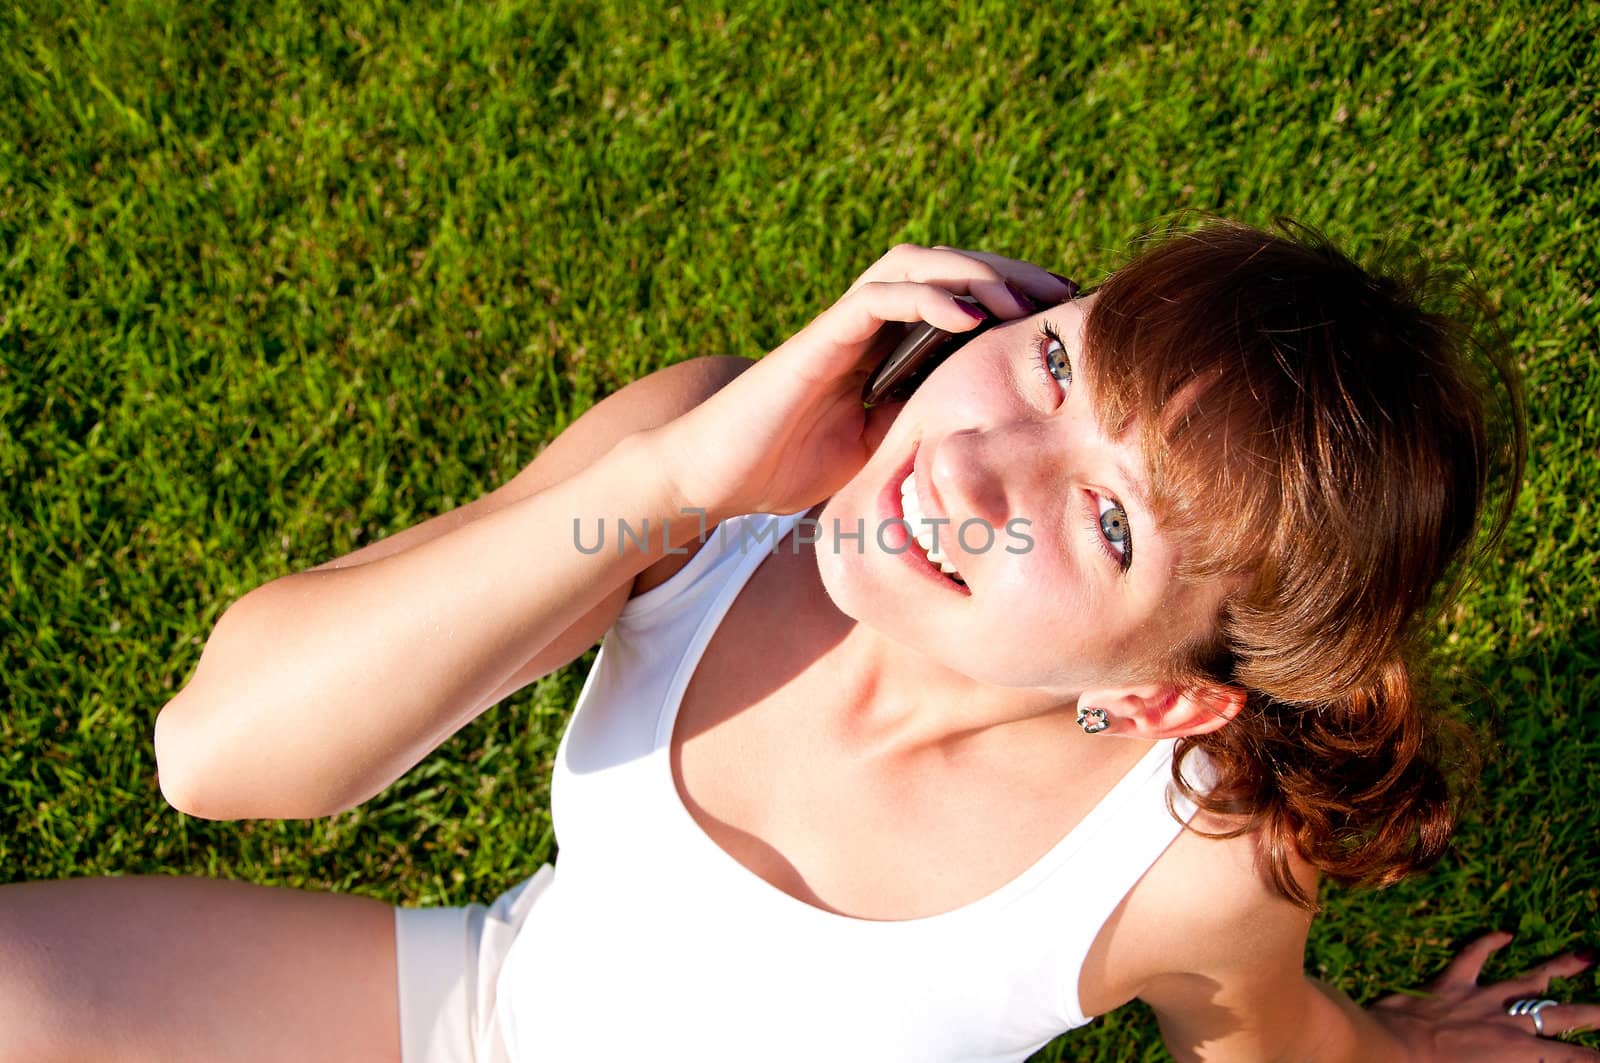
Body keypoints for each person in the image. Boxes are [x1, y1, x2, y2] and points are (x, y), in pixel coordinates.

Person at [1, 219, 1594, 1062]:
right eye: (1051, 370)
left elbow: (1274, 1047)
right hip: (487, 1013)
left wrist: (1418, 1051)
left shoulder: (1182, 862)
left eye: (1109, 521)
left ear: (1164, 694)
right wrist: (665, 487)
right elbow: (215, 754)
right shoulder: (706, 479)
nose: (973, 468)